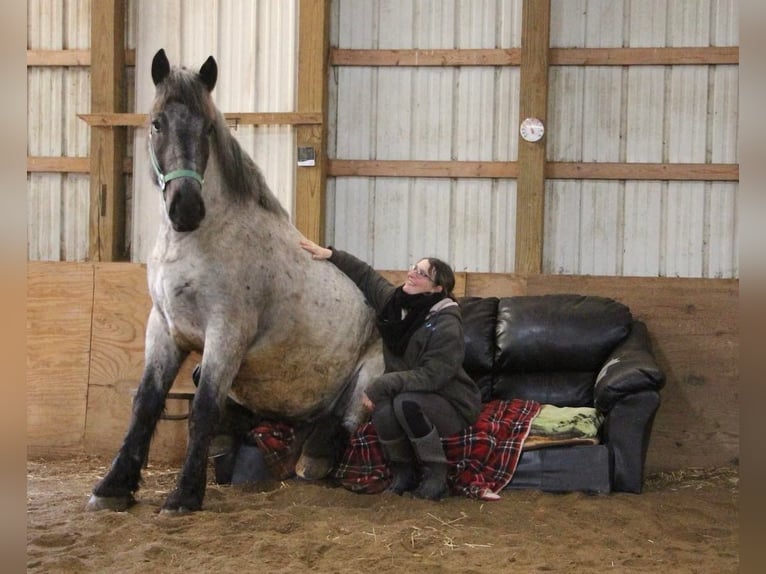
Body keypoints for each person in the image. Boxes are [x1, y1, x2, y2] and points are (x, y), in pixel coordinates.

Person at [300, 238, 482, 500]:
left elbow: (434, 375)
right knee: (385, 409)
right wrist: (329, 254)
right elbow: (366, 275)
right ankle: (403, 473)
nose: (412, 273)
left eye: (421, 273)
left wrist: (379, 385)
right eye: (414, 267)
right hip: (410, 391)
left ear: (436, 288)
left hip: (449, 400)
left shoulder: (446, 324)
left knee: (404, 403)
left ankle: (436, 475)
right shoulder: (395, 304)